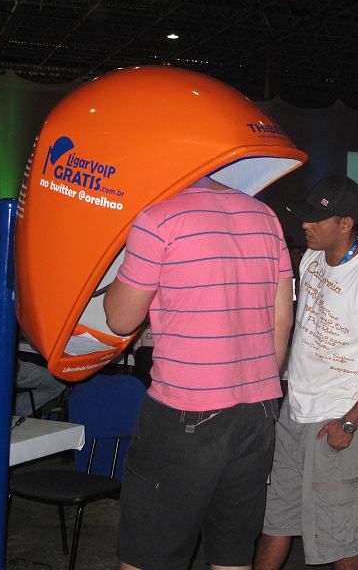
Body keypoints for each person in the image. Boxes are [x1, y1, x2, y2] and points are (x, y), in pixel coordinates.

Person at [104, 175, 294, 570]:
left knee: (149, 555)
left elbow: (121, 320)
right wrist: (258, 387)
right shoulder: (265, 216)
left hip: (184, 411)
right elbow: (282, 319)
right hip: (257, 409)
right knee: (231, 553)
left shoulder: (158, 218)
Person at [255, 176, 358, 570]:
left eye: (315, 219)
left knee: (339, 535)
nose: (304, 225)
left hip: (340, 418)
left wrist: (351, 422)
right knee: (277, 518)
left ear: (345, 223)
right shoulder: (310, 258)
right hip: (295, 411)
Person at [0, 286, 65, 416]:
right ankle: (13, 410)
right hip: (3, 368)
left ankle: (4, 408)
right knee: (58, 383)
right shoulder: (13, 298)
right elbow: (34, 342)